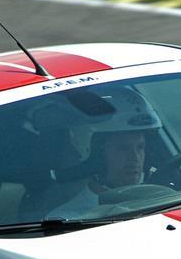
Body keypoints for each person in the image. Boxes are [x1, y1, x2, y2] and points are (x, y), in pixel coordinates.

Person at [48, 88, 161, 219]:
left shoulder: (163, 199)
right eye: (122, 148)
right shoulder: (66, 219)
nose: (134, 158)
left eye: (140, 147)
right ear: (97, 156)